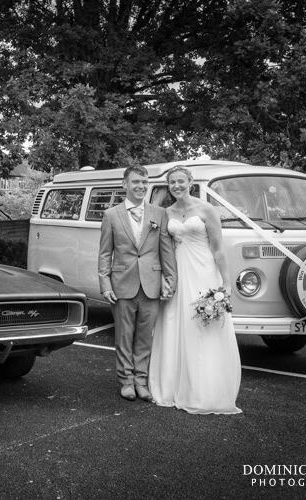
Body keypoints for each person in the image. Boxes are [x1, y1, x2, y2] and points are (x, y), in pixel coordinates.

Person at [149, 166, 242, 414]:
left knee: (201, 327)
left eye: (181, 181)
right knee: (173, 323)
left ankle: (203, 390)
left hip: (203, 271)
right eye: (172, 182)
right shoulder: (165, 213)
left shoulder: (206, 209)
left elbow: (219, 248)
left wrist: (226, 282)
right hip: (178, 272)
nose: (176, 186)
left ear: (190, 182)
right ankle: (171, 387)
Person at [98, 165, 177, 401]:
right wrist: (105, 284)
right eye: (136, 182)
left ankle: (141, 381)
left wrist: (170, 280)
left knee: (145, 337)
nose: (141, 186)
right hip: (122, 283)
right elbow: (104, 253)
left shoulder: (159, 214)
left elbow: (166, 251)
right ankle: (126, 381)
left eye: (144, 182)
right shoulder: (111, 215)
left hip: (151, 284)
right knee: (124, 335)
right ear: (125, 184)